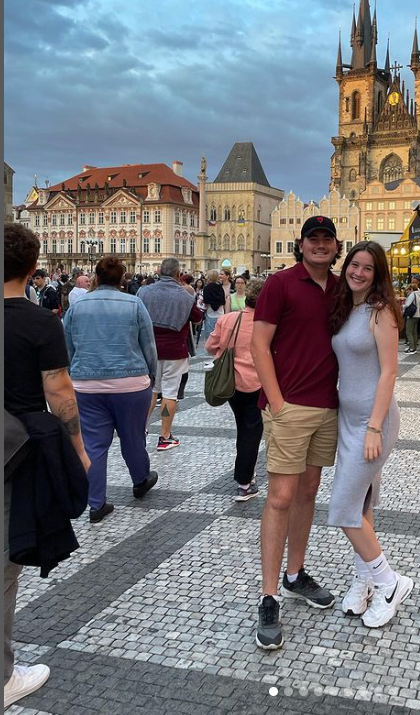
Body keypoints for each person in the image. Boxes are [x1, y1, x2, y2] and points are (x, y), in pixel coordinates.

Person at [4, 225, 91, 710]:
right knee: (4, 561)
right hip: (15, 451)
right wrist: (77, 448)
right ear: (34, 268)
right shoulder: (39, 323)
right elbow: (59, 392)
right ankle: (3, 676)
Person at [251, 215, 341, 650]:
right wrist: (277, 401)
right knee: (280, 497)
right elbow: (258, 344)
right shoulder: (280, 284)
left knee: (307, 493)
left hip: (326, 407)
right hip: (290, 407)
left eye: (327, 239)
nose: (320, 245)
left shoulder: (343, 288)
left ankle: (294, 575)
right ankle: (268, 595)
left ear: (336, 246)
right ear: (301, 245)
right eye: (313, 239)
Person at [328, 241, 413, 628]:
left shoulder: (382, 312)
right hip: (349, 418)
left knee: (344, 509)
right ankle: (364, 580)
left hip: (373, 421)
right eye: (354, 265)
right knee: (361, 505)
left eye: (367, 268)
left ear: (378, 275)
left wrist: (375, 426)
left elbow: (389, 373)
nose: (358, 272)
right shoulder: (348, 308)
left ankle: (389, 583)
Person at [63, 256, 159, 523]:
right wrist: (152, 375)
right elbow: (148, 345)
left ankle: (96, 504)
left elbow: (67, 344)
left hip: (87, 384)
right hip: (130, 382)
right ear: (122, 279)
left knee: (93, 444)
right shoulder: (134, 303)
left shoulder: (78, 306)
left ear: (96, 277)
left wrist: (75, 371)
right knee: (132, 436)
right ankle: (140, 479)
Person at [206, 279, 266, 501]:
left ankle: (246, 471)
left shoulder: (229, 318)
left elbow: (210, 346)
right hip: (257, 383)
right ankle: (244, 482)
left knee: (243, 427)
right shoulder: (267, 324)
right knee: (252, 431)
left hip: (231, 383)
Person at [138, 258, 203, 450]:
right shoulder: (184, 296)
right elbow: (197, 318)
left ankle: (140, 429)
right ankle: (164, 436)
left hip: (149, 349)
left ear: (159, 272)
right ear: (177, 274)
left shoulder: (144, 292)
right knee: (169, 393)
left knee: (151, 390)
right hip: (174, 351)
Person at [202, 270, 226, 343]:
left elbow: (206, 301)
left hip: (210, 313)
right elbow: (223, 301)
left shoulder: (207, 288)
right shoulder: (220, 288)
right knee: (220, 337)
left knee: (210, 338)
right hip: (220, 313)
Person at [402, 281, 420, 354]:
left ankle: (411, 348)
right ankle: (414, 347)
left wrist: (402, 306)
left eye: (409, 289)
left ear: (412, 289)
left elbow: (407, 305)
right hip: (417, 315)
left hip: (411, 315)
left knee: (408, 332)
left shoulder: (412, 295)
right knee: (414, 332)